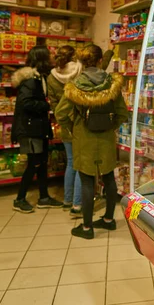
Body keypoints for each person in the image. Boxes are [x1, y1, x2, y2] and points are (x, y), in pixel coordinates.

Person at [55, 44, 128, 239]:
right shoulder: (112, 84)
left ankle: (87, 228)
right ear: (98, 61)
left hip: (83, 138)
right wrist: (111, 126)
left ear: (81, 62)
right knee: (109, 178)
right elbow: (122, 113)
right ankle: (108, 220)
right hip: (105, 139)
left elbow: (60, 113)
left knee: (87, 181)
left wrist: (72, 127)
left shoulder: (75, 85)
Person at [11, 45, 63, 213]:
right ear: (42, 60)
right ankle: (19, 199)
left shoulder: (39, 78)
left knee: (41, 164)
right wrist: (45, 105)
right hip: (30, 130)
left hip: (37, 128)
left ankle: (44, 197)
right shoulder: (30, 80)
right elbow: (25, 103)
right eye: (48, 57)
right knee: (33, 164)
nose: (51, 60)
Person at [47, 45, 83, 218]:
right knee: (81, 164)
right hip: (80, 123)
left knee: (70, 162)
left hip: (64, 124)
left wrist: (62, 118)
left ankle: (67, 200)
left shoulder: (51, 77)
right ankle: (77, 204)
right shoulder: (80, 72)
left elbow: (54, 104)